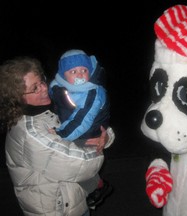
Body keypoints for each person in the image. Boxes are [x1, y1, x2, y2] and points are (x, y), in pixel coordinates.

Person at [0, 56, 115, 216]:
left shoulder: (49, 107)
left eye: (42, 81)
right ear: (17, 97)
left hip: (73, 202)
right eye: (35, 88)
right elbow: (82, 165)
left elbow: (89, 125)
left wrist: (106, 136)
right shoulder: (30, 133)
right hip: (56, 210)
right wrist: (99, 146)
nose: (43, 88)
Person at [48, 49, 113, 210]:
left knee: (76, 163)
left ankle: (97, 187)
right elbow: (57, 95)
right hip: (76, 128)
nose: (79, 75)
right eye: (73, 71)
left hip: (88, 132)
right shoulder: (62, 86)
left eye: (84, 70)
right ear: (64, 75)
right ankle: (95, 186)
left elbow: (82, 120)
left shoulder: (92, 91)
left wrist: (61, 133)